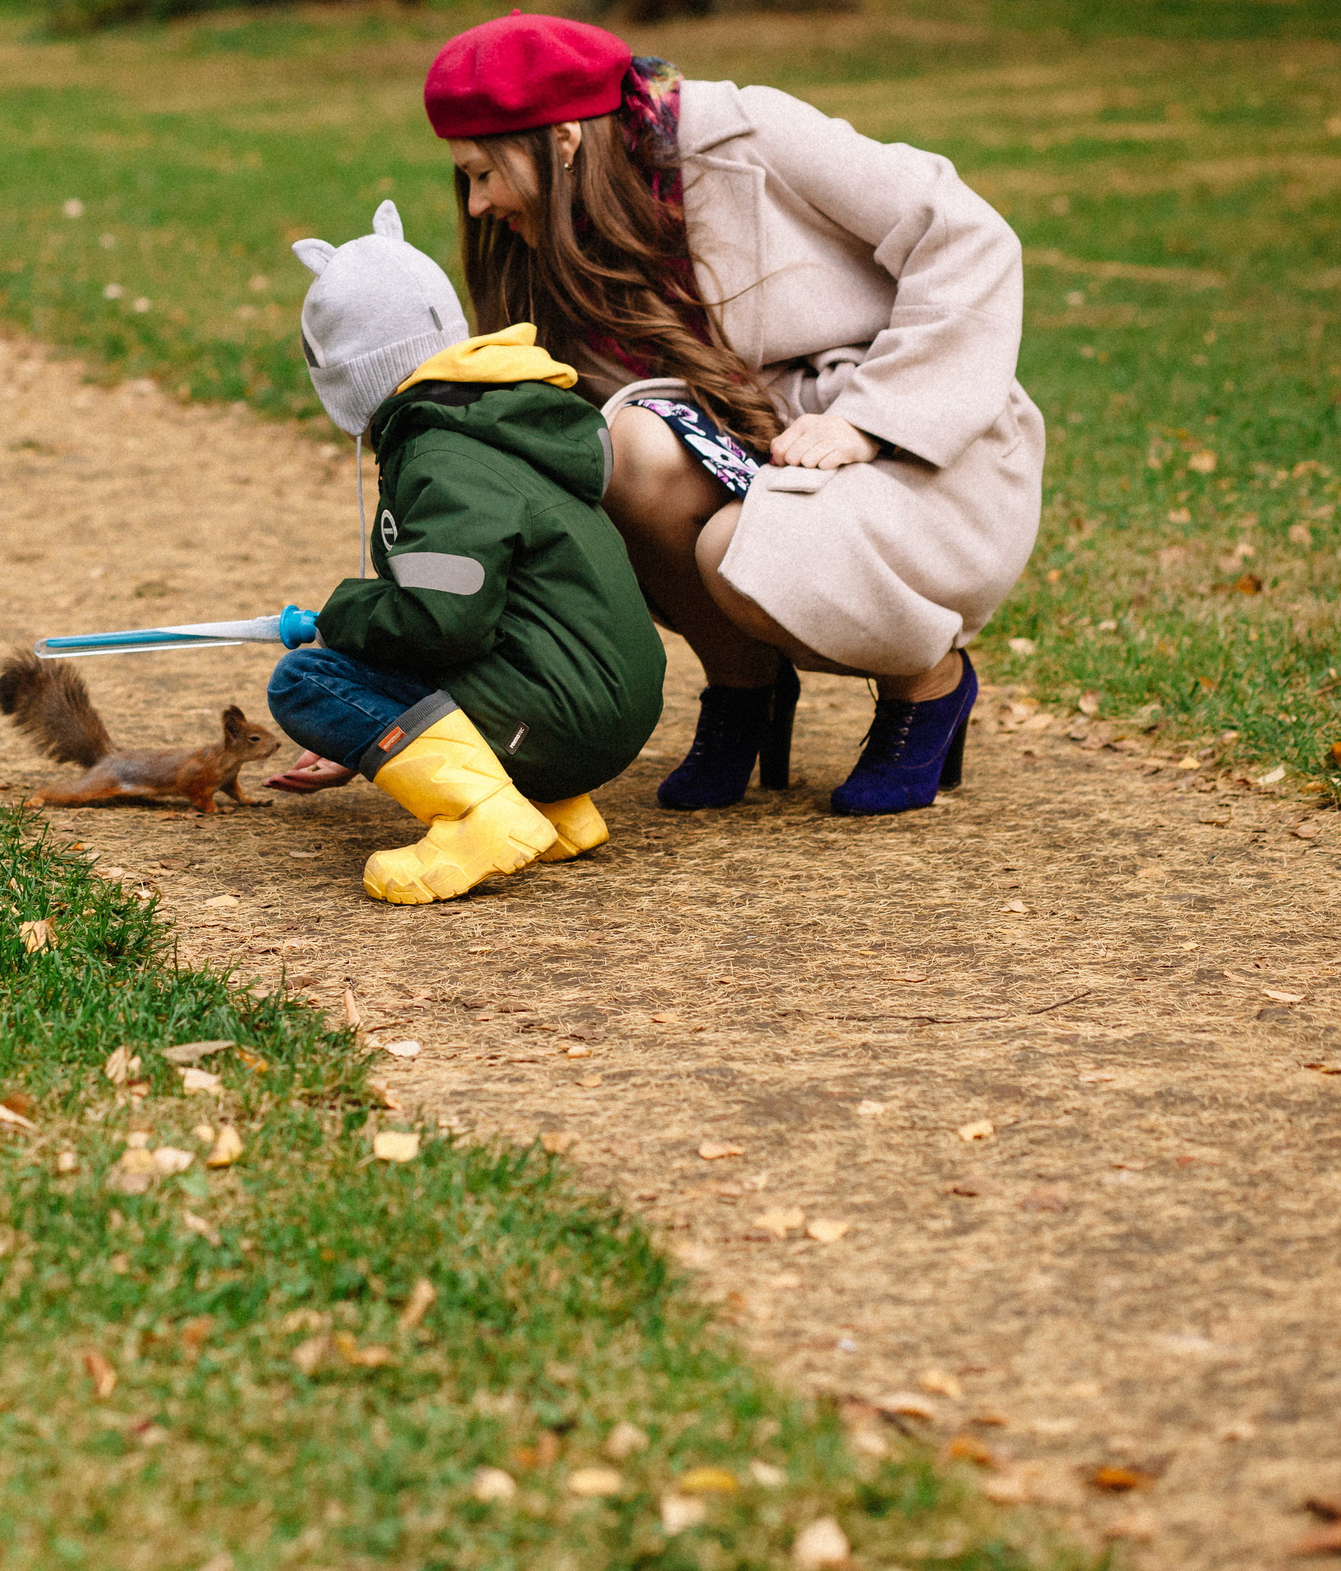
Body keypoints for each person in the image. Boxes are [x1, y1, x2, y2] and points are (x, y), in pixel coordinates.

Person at [274, 13, 1042, 815]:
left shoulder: (753, 132)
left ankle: (925, 685)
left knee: (732, 545)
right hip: (758, 446)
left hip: (909, 444)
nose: (476, 205)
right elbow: (498, 505)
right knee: (616, 449)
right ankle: (743, 687)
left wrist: (871, 419)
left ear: (565, 140)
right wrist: (387, 697)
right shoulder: (555, 236)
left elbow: (967, 236)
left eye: (483, 173)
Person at [262, 202, 664, 905]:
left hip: (566, 714)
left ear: (348, 374)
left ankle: (483, 814)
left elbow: (442, 621)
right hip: (612, 703)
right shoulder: (500, 419)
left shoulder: (440, 458)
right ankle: (555, 805)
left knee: (304, 681)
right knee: (395, 647)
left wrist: (341, 617)